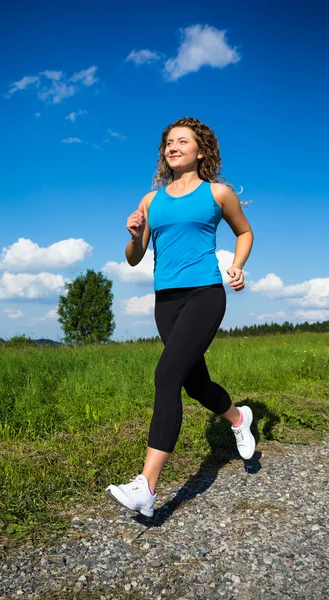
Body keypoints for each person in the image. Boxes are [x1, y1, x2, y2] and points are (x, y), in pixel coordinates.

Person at [105, 116, 255, 518]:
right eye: (168, 142)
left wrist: (238, 265)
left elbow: (244, 232)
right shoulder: (152, 200)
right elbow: (134, 259)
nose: (173, 147)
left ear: (200, 150)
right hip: (165, 301)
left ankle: (147, 487)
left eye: (182, 141)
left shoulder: (217, 194)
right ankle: (239, 418)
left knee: (166, 375)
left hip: (205, 294)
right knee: (194, 383)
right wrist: (135, 235)